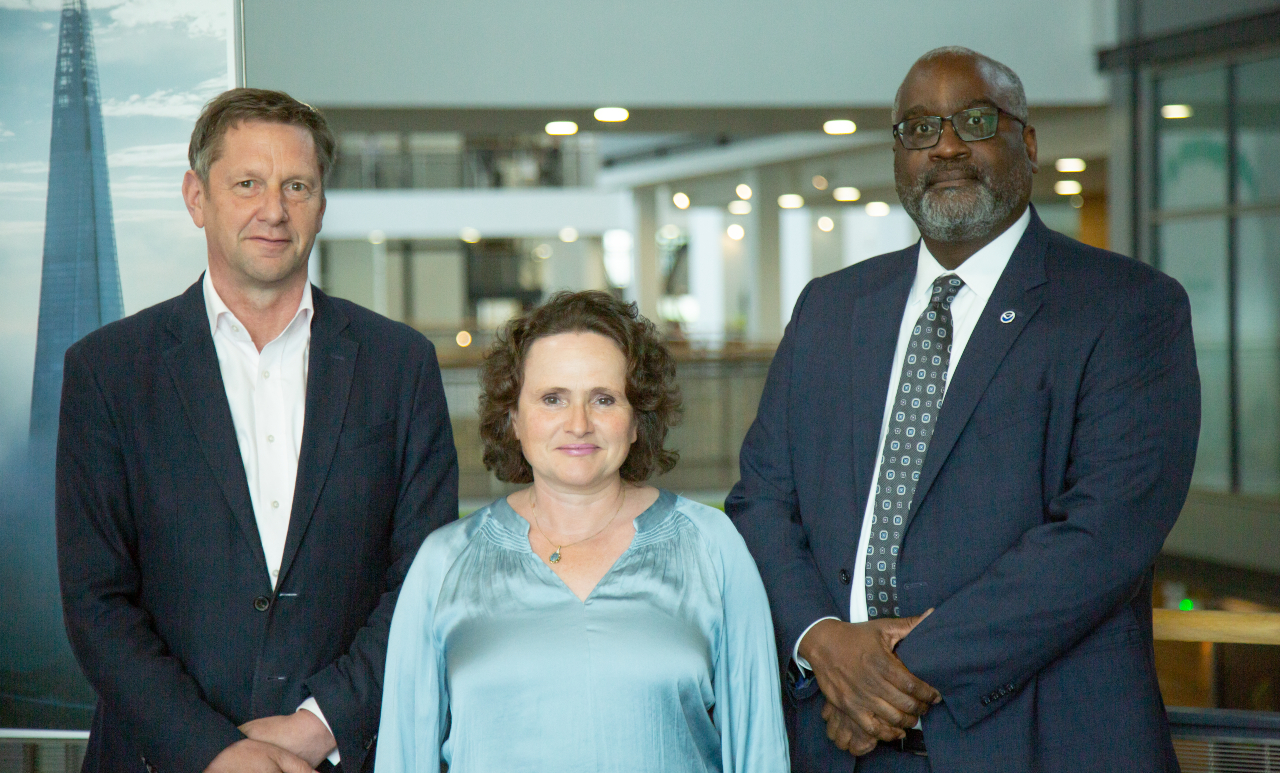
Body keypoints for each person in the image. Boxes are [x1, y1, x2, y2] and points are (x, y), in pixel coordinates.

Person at [726, 47, 1199, 772]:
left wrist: (890, 673)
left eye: (974, 120)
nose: (944, 145)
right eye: (918, 128)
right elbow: (760, 499)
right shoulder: (830, 307)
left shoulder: (1128, 306)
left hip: (1037, 739)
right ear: (897, 155)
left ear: (1027, 142)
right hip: (835, 736)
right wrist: (824, 639)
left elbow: (1103, 534)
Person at [56, 88, 459, 773]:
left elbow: (427, 574)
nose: (273, 209)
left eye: (296, 185)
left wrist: (320, 723)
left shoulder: (400, 363)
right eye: (247, 183)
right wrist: (215, 750)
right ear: (196, 197)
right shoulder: (108, 370)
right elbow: (97, 599)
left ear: (322, 204)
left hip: (342, 756)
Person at [375, 291, 790, 773]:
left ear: (637, 419)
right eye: (553, 399)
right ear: (514, 418)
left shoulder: (712, 546)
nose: (578, 424)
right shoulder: (444, 563)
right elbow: (403, 757)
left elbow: (759, 751)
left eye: (603, 399)